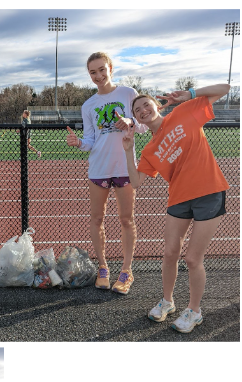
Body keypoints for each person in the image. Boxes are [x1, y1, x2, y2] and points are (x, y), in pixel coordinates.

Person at [124, 82, 231, 333]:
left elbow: (225, 88)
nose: (142, 110)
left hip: (209, 192)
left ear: (156, 105)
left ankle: (194, 311)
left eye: (146, 104)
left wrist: (190, 95)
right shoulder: (149, 149)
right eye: (137, 109)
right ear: (136, 118)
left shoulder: (183, 113)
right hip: (179, 199)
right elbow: (137, 182)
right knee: (170, 253)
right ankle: (168, 302)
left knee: (193, 258)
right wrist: (129, 151)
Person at [66, 52, 147, 293]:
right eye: (93, 72)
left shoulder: (128, 93)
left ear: (110, 68)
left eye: (102, 69)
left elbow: (143, 126)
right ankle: (103, 267)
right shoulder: (88, 105)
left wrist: (130, 122)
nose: (98, 75)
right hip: (99, 168)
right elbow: (91, 140)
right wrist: (79, 143)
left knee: (126, 219)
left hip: (124, 166)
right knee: (97, 219)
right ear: (89, 75)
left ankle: (126, 270)